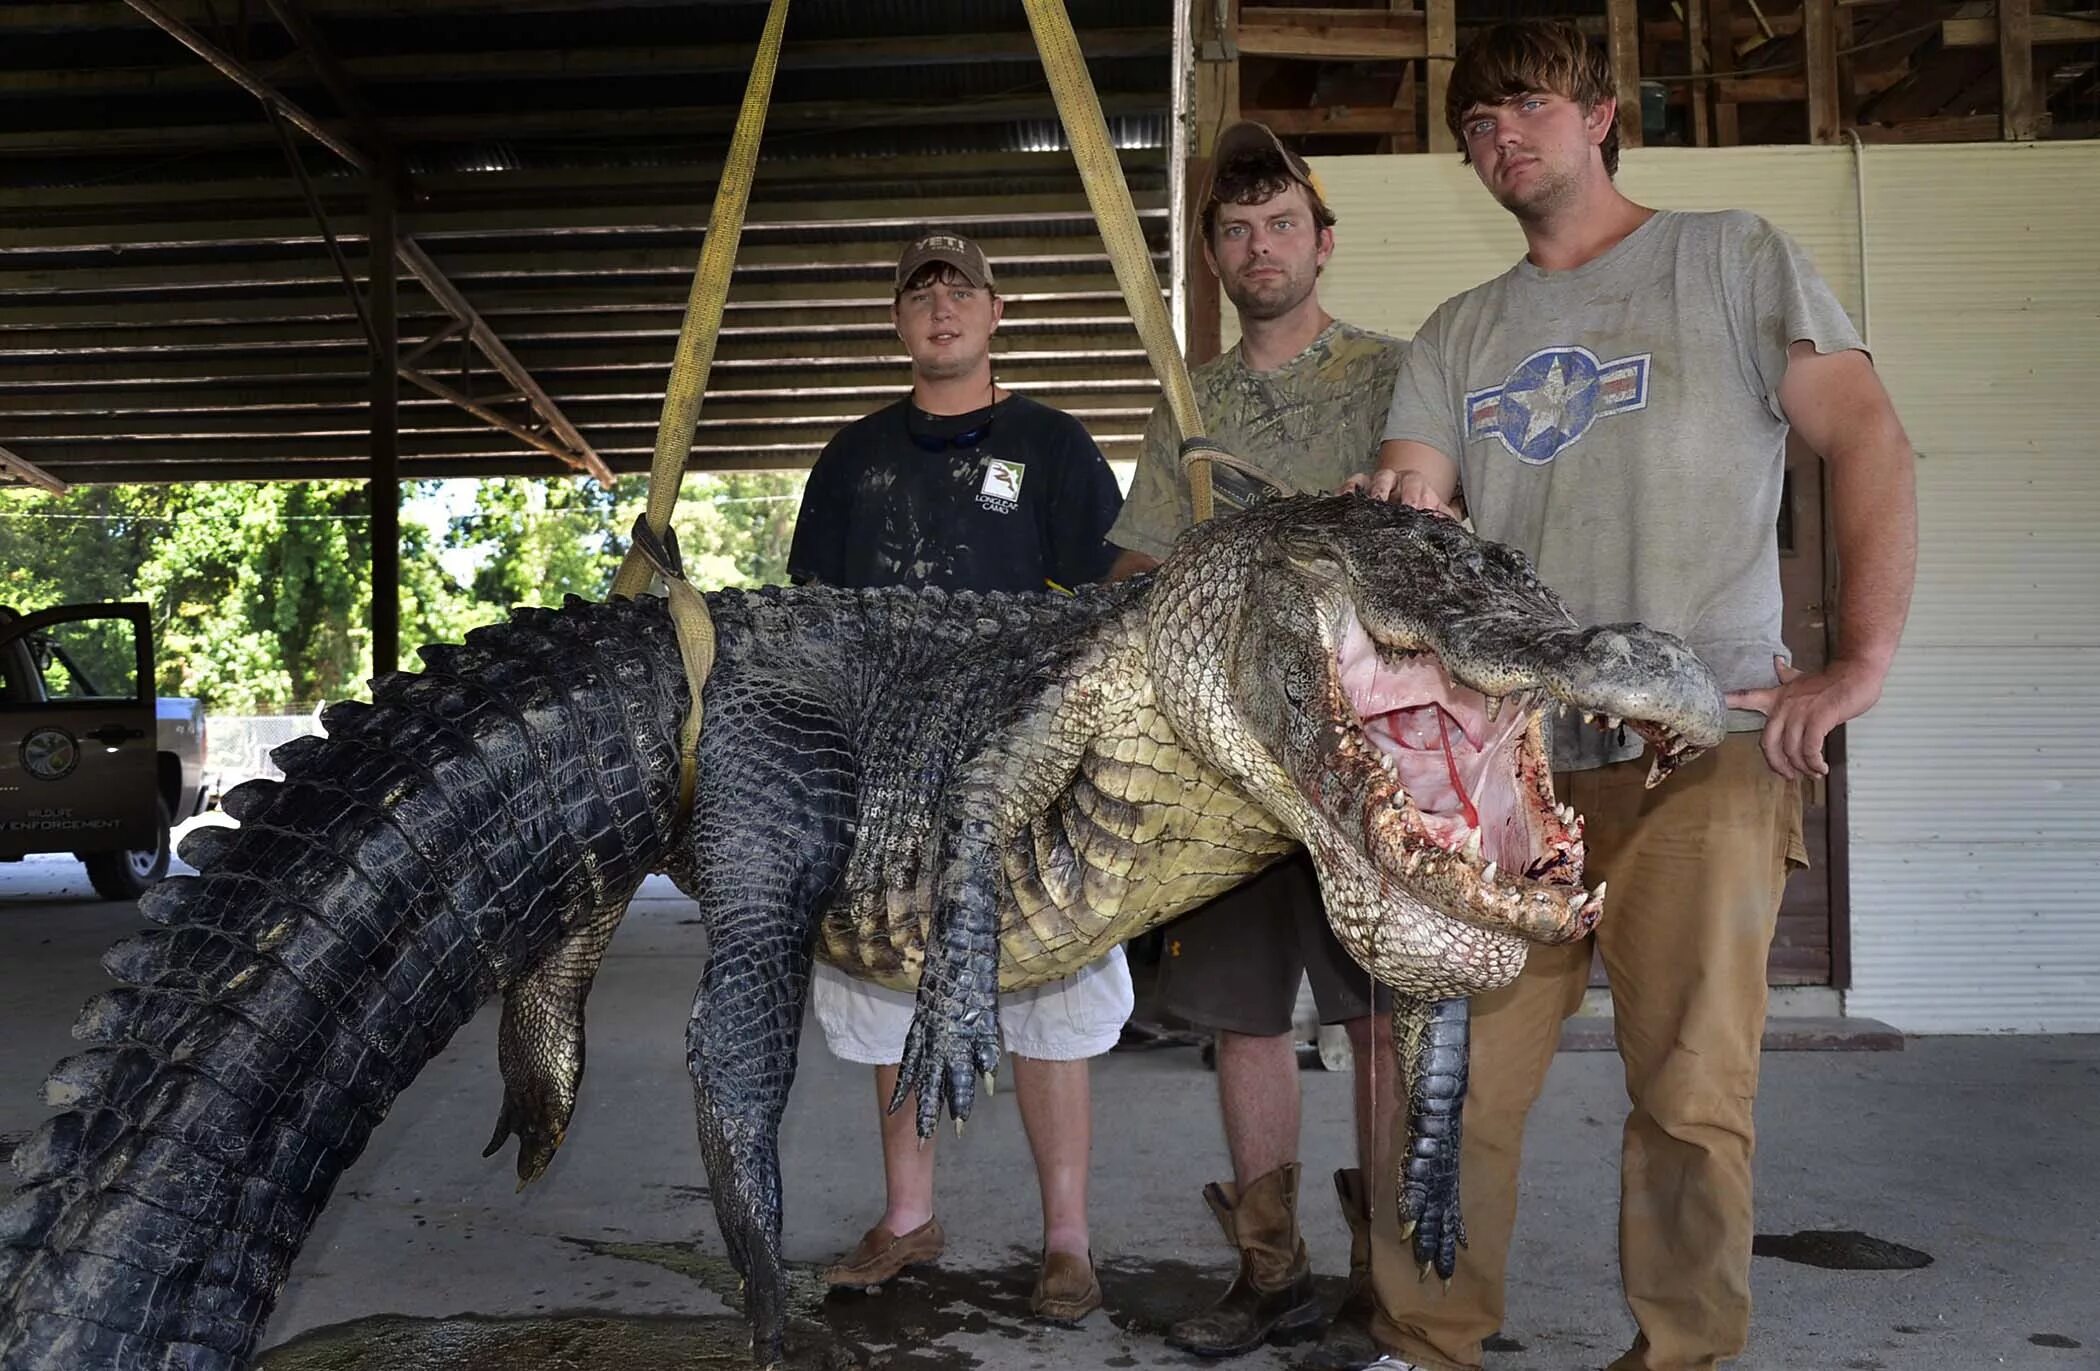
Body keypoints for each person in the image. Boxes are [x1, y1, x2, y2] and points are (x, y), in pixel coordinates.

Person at [1349, 21, 1918, 1371]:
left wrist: (1862, 660)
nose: (1502, 139)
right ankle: (1426, 1335)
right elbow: (1413, 488)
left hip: (1703, 750)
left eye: (1528, 105)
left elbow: (1868, 435)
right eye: (1478, 123)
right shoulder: (1460, 331)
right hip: (1509, 772)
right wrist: (1401, 510)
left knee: (1689, 1090)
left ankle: (1682, 1350)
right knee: (1458, 1085)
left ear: (1602, 113)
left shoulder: (1730, 258)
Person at [786, 232, 1133, 1325]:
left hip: (1028, 772)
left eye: (961, 289)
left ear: (997, 313)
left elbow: (1104, 613)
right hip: (888, 775)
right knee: (889, 991)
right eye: (919, 292)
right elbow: (809, 627)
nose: (940, 306)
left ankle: (1067, 1240)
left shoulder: (1056, 449)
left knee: (1053, 994)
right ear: (897, 321)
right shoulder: (850, 462)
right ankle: (907, 1216)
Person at [1105, 121, 1409, 1366]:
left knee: (1384, 1012)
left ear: (1322, 242)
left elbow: (1438, 532)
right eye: (1236, 231)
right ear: (1218, 262)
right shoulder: (1192, 406)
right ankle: (1268, 1269)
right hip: (1226, 762)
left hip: (1367, 753)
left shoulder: (1398, 378)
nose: (1258, 245)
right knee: (1243, 1017)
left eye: (1281, 222)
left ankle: (1389, 1277)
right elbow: (1132, 567)